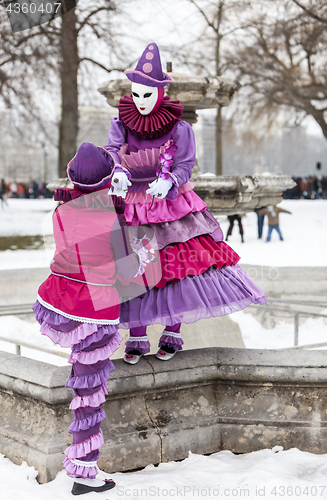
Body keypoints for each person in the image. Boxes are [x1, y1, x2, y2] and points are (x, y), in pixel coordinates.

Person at [103, 42, 266, 364]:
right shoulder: (121, 123)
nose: (141, 102)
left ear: (161, 92)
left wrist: (171, 180)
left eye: (147, 95)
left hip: (170, 206)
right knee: (132, 268)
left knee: (176, 268)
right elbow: (111, 149)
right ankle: (136, 335)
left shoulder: (180, 127)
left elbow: (184, 163)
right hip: (132, 205)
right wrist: (117, 171)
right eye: (136, 95)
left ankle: (172, 331)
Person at [33, 144, 157, 495]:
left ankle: (82, 463)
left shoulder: (61, 211)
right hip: (95, 309)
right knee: (89, 391)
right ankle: (84, 470)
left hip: (63, 302)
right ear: (107, 180)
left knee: (83, 379)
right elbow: (126, 270)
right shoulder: (110, 217)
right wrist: (144, 254)